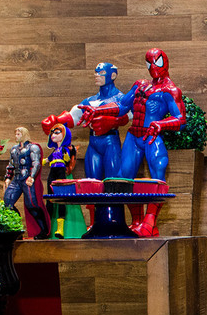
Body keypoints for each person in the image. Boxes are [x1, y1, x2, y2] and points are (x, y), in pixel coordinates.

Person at [80, 49, 185, 237]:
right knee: (123, 180)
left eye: (157, 62)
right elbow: (122, 106)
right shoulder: (140, 85)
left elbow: (181, 120)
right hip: (134, 136)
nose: (153, 67)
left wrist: (161, 124)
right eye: (149, 63)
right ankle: (136, 221)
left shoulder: (170, 91)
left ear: (165, 62)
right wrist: (99, 111)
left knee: (158, 177)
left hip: (151, 136)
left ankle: (150, 223)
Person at [41, 62, 128, 181]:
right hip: (93, 142)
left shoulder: (120, 98)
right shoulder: (91, 100)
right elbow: (74, 117)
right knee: (91, 181)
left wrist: (113, 121)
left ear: (113, 75)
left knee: (113, 181)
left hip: (110, 141)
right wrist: (56, 121)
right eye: (96, 72)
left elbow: (130, 114)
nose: (97, 75)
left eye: (102, 72)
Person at [4, 126, 49, 239]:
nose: (16, 136)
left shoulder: (32, 147)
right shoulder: (14, 149)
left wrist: (32, 176)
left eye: (18, 134)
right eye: (16, 134)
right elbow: (11, 164)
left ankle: (44, 230)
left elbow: (36, 163)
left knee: (32, 205)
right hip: (17, 179)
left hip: (27, 178)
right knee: (7, 203)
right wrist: (8, 177)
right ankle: (16, 229)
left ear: (24, 134)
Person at [45, 123, 77, 238]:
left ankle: (60, 229)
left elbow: (67, 158)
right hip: (52, 171)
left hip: (60, 171)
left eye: (57, 132)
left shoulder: (64, 149)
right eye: (52, 133)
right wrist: (41, 161)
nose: (53, 135)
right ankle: (47, 228)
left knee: (61, 198)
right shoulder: (54, 151)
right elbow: (47, 159)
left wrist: (66, 156)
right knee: (49, 198)